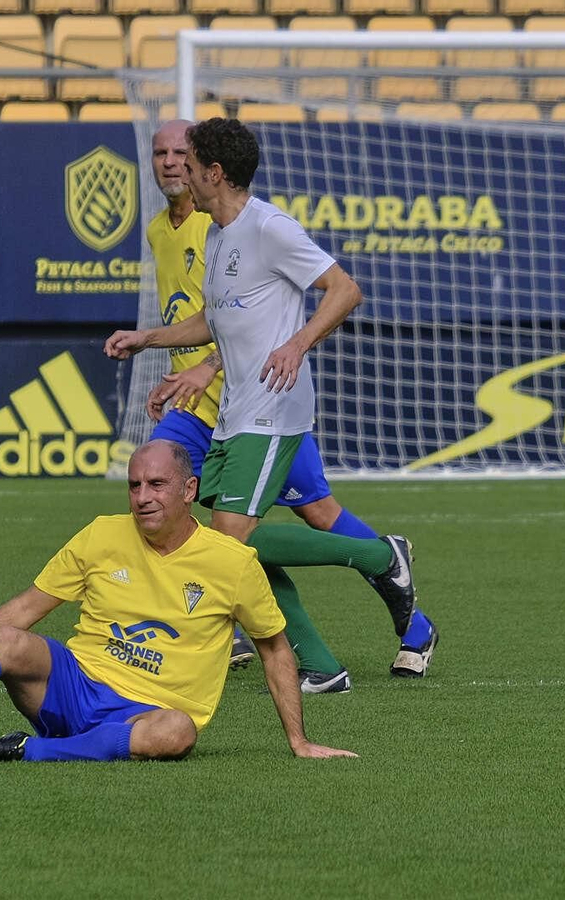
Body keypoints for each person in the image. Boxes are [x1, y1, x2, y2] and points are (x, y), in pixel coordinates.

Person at [108, 119, 434, 692]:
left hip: (274, 411)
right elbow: (215, 318)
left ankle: (380, 561)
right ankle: (324, 664)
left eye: (190, 160)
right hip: (235, 411)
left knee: (233, 542)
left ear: (215, 172)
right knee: (227, 539)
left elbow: (345, 289)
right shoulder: (216, 233)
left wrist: (297, 342)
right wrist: (148, 340)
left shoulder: (270, 227)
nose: (178, 167)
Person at [0, 440, 356, 765]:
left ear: (189, 490)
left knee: (177, 732)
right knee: (7, 641)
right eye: (134, 485)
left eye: (157, 484)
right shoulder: (100, 535)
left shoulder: (233, 561)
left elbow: (274, 649)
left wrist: (299, 740)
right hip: (72, 687)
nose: (142, 497)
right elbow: (26, 607)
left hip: (146, 717)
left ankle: (28, 752)